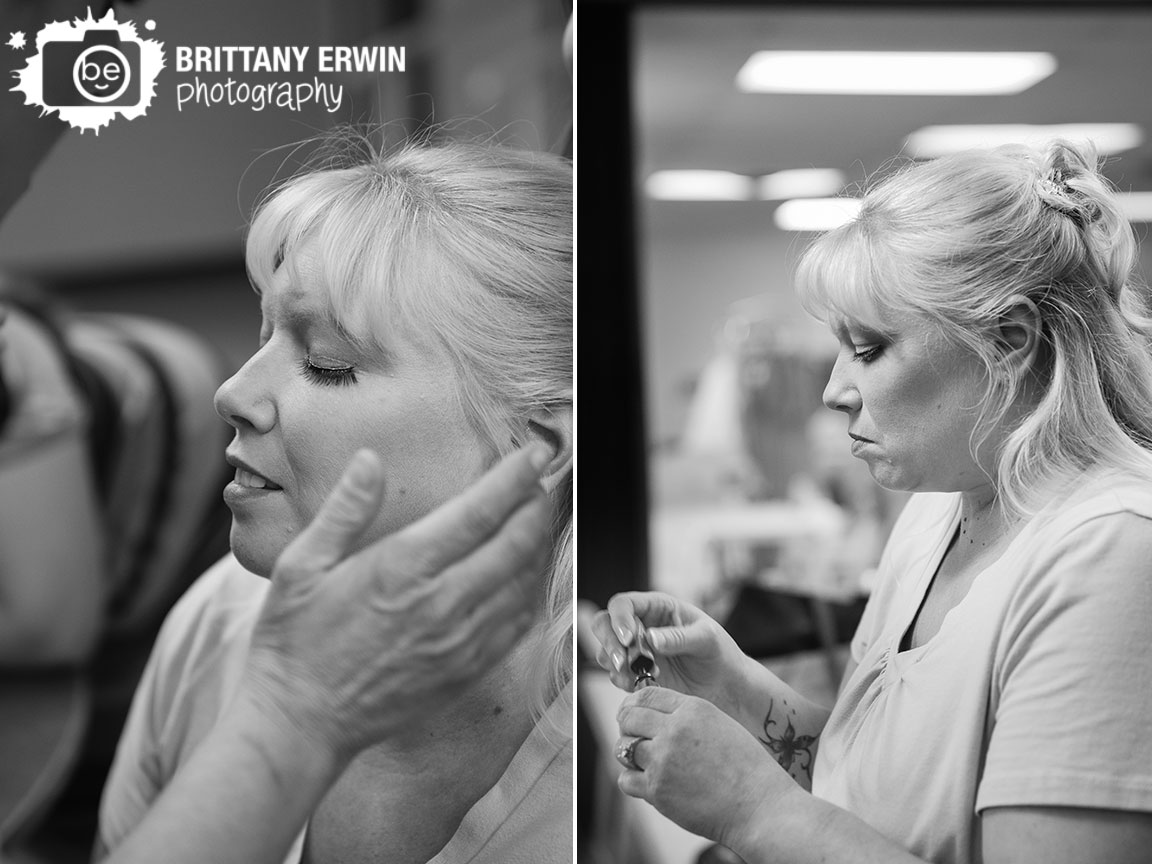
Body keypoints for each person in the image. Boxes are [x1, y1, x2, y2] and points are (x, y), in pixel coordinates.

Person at [592, 139, 1152, 864]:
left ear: (1008, 342)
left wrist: (754, 811)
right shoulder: (939, 508)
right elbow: (873, 787)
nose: (833, 390)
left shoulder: (1112, 553)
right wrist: (733, 685)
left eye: (869, 349)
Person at [95, 137, 573, 864]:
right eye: (263, 337)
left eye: (327, 364)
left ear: (542, 446)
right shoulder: (222, 616)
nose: (234, 394)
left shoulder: (615, 769)